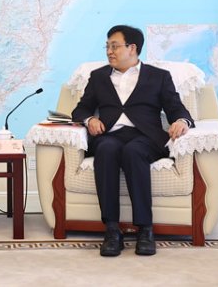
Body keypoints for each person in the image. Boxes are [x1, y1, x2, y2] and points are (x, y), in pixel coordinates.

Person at [71, 25, 193, 257]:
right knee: (106, 150)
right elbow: (81, 109)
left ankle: (145, 229)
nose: (109, 51)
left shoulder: (159, 77)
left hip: (146, 137)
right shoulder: (98, 77)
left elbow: (176, 107)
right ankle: (112, 230)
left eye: (114, 46)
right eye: (107, 46)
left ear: (132, 48)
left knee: (133, 152)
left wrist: (182, 121)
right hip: (110, 135)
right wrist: (89, 120)